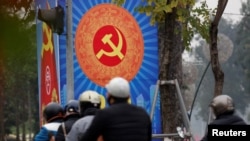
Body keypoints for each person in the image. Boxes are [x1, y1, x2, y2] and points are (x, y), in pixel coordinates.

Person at [79, 76, 152, 141]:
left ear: (109, 96)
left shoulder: (104, 114)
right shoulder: (143, 114)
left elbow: (88, 138)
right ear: (128, 96)